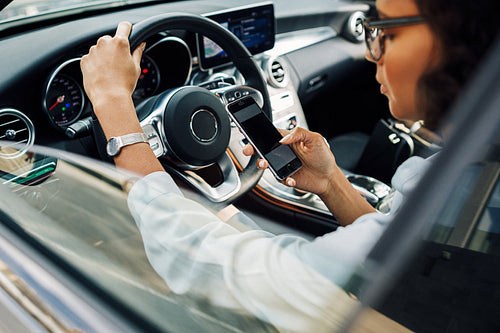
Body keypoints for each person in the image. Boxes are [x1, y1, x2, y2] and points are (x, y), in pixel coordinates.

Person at [80, 0, 500, 331]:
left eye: (385, 30)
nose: (373, 53)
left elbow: (213, 268)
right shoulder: (474, 179)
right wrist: (332, 182)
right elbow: (402, 261)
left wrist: (114, 106)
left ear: (466, 41)